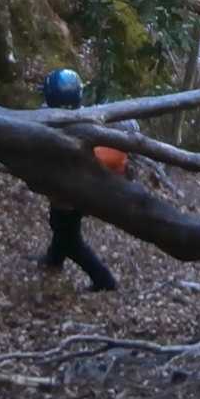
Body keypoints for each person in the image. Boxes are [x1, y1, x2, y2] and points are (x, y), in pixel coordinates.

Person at [36, 68, 124, 292]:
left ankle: (104, 281)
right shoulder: (82, 118)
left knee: (69, 238)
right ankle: (54, 259)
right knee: (61, 225)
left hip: (72, 190)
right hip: (74, 188)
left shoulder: (64, 125)